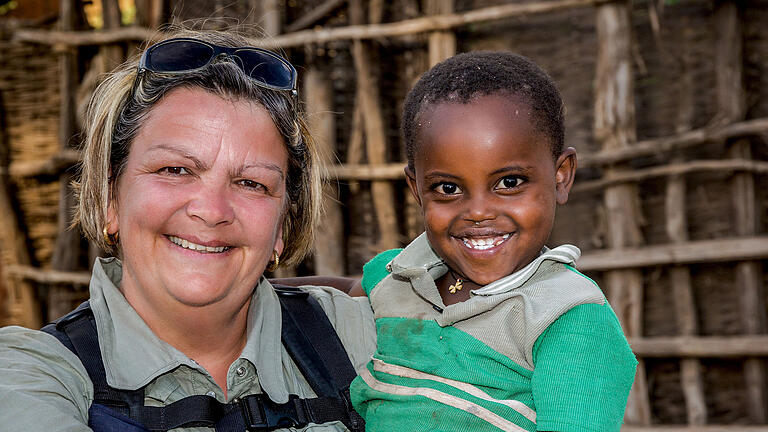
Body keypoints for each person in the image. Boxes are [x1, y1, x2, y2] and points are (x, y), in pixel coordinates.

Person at [0, 28, 375, 431]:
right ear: (110, 195)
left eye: (252, 183)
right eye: (175, 170)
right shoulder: (31, 377)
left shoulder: (357, 336)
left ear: (282, 224)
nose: (212, 211)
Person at [348, 51, 638, 432]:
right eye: (448, 188)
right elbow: (341, 289)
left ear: (561, 177)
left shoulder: (568, 317)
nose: (479, 212)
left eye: (510, 182)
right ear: (417, 189)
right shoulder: (395, 275)